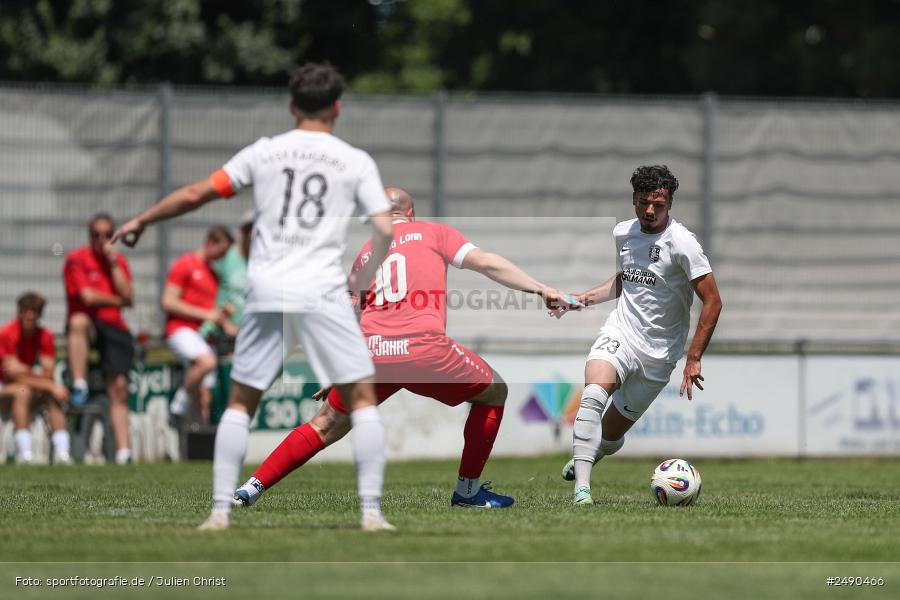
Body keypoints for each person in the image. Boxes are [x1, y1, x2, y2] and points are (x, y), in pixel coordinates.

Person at [112, 62, 395, 531]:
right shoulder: (354, 160)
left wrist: (143, 220)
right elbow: (383, 227)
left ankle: (220, 513)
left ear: (292, 106)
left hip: (267, 290)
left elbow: (197, 192)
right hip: (322, 289)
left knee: (242, 403)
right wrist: (364, 283)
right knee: (361, 401)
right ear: (337, 107)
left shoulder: (265, 152)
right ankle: (371, 515)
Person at [234, 187, 575, 509]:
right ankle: (468, 491)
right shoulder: (432, 232)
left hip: (372, 355)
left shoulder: (366, 252)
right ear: (411, 213)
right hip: (423, 350)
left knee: (324, 425)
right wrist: (540, 288)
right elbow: (485, 262)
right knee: (495, 391)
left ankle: (250, 488)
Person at [553, 165, 723, 505]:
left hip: (660, 354)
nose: (650, 211)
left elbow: (713, 301)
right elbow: (628, 278)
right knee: (592, 398)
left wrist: (693, 358)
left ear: (670, 204)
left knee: (612, 435)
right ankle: (582, 491)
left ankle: (593, 453)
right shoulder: (623, 233)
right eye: (644, 202)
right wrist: (581, 300)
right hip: (622, 332)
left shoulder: (682, 244)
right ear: (634, 200)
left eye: (658, 205)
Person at [63, 213, 135, 465]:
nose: (101, 240)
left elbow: (130, 297)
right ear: (89, 236)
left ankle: (124, 453)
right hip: (89, 327)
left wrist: (114, 264)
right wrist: (119, 300)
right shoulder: (77, 259)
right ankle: (80, 383)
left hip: (114, 328)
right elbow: (87, 298)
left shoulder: (119, 261)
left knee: (119, 389)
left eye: (107, 235)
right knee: (78, 321)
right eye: (96, 235)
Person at [164, 226, 234, 426]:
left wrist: (223, 315)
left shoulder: (214, 274)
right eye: (221, 251)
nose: (222, 257)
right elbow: (168, 301)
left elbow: (211, 311)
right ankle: (177, 408)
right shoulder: (185, 264)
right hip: (181, 330)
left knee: (203, 396)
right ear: (210, 243)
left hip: (204, 336)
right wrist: (207, 314)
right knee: (206, 362)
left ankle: (195, 443)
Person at [0, 292, 72, 464]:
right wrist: (47, 384)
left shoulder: (45, 336)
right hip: (5, 386)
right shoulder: (6, 334)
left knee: (53, 395)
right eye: (26, 311)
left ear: (40, 314)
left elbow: (47, 374)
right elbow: (11, 376)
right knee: (23, 391)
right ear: (19, 312)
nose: (30, 316)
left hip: (26, 386)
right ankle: (24, 453)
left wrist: (24, 370)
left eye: (35, 311)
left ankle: (62, 453)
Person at [198, 210, 253, 344]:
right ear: (242, 232)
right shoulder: (225, 256)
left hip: (250, 331)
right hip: (222, 331)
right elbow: (207, 292)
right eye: (250, 230)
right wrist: (225, 322)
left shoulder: (265, 259)